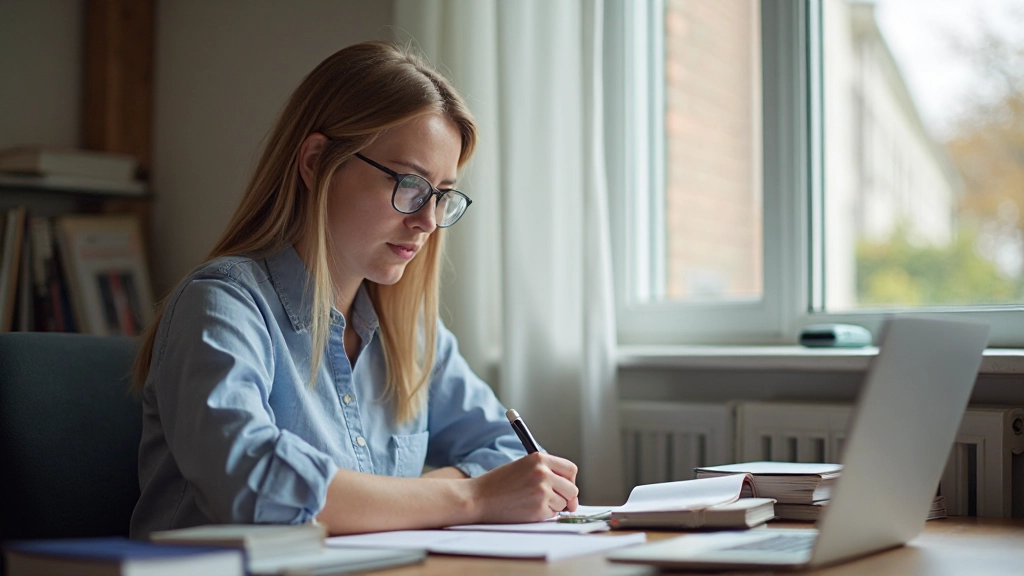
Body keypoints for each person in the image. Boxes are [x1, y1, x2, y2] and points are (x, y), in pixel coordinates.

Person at [129, 41, 579, 538]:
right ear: (317, 162)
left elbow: (511, 454)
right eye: (410, 184)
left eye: (441, 195)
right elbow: (252, 485)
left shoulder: (411, 335)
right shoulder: (222, 306)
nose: (428, 221)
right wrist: (469, 497)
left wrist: (417, 500)